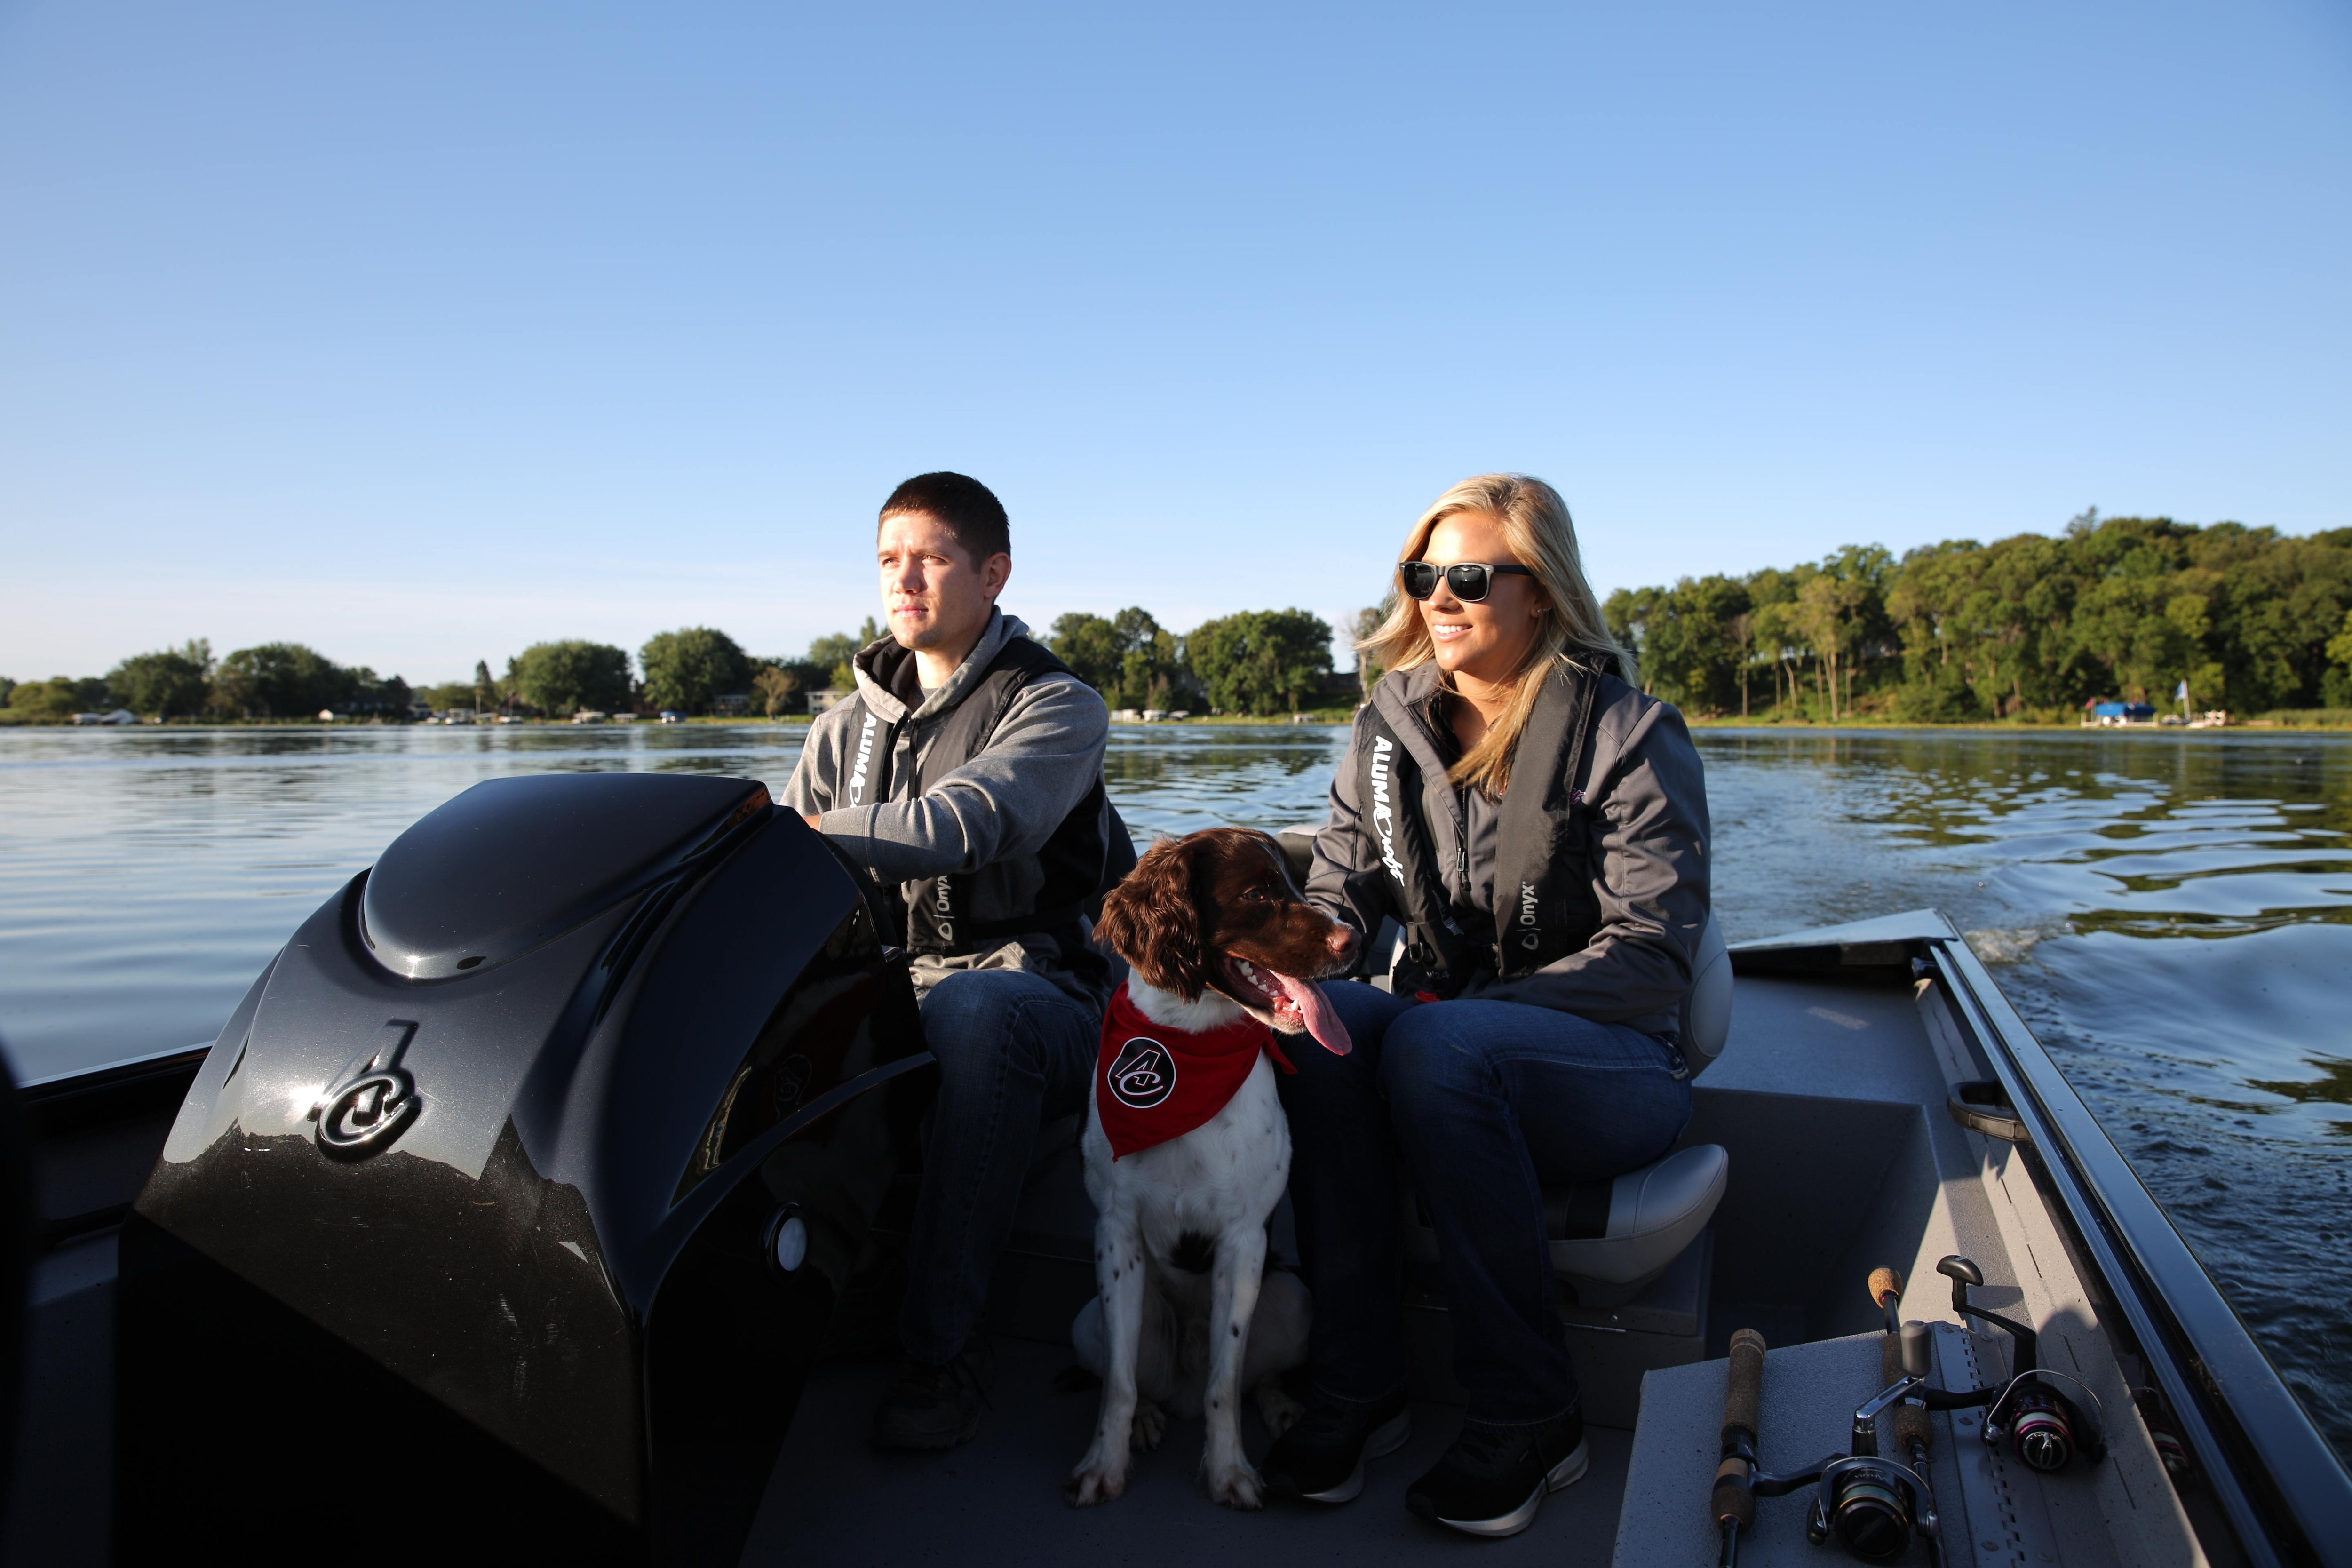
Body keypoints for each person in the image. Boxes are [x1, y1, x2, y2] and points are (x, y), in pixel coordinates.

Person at [1263, 473, 1710, 1537]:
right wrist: (1294, 965)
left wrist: (1461, 1015)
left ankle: (1532, 1413)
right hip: (1445, 1041)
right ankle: (1356, 1385)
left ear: (1543, 593)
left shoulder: (1629, 731)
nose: (1439, 598)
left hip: (1612, 1065)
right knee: (1327, 1041)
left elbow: (1653, 953)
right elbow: (1342, 895)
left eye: (1469, 576)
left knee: (1431, 1041)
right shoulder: (1386, 729)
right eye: (1424, 576)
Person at [783, 471, 1122, 1451]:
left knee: (977, 1016)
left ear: (993, 571)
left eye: (929, 557)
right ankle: (799, 1287)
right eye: (889, 559)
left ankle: (946, 1346)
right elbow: (794, 884)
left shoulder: (1058, 704)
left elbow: (969, 822)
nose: (904, 579)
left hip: (1045, 996)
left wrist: (787, 834)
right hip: (895, 986)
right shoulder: (839, 727)